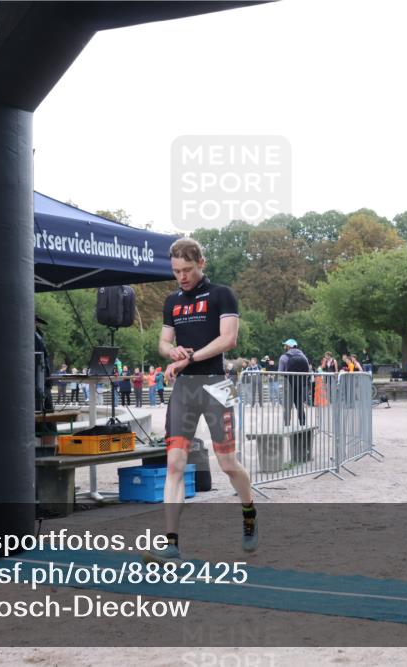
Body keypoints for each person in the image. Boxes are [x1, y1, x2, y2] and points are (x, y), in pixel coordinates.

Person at [149, 237, 256, 563]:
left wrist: (189, 357)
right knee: (174, 463)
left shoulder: (222, 294)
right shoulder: (172, 301)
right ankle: (172, 542)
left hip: (218, 383)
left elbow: (229, 339)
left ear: (201, 264)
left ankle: (249, 511)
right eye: (176, 271)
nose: (181, 276)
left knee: (227, 463)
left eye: (187, 270)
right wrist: (173, 353)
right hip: (184, 387)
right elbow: (163, 344)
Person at [280, 339, 311, 426]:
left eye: (285, 345)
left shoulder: (284, 357)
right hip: (300, 384)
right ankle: (303, 425)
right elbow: (307, 371)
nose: (284, 347)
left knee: (287, 406)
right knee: (299, 405)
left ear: (288, 347)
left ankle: (287, 425)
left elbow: (280, 372)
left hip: (288, 383)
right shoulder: (304, 357)